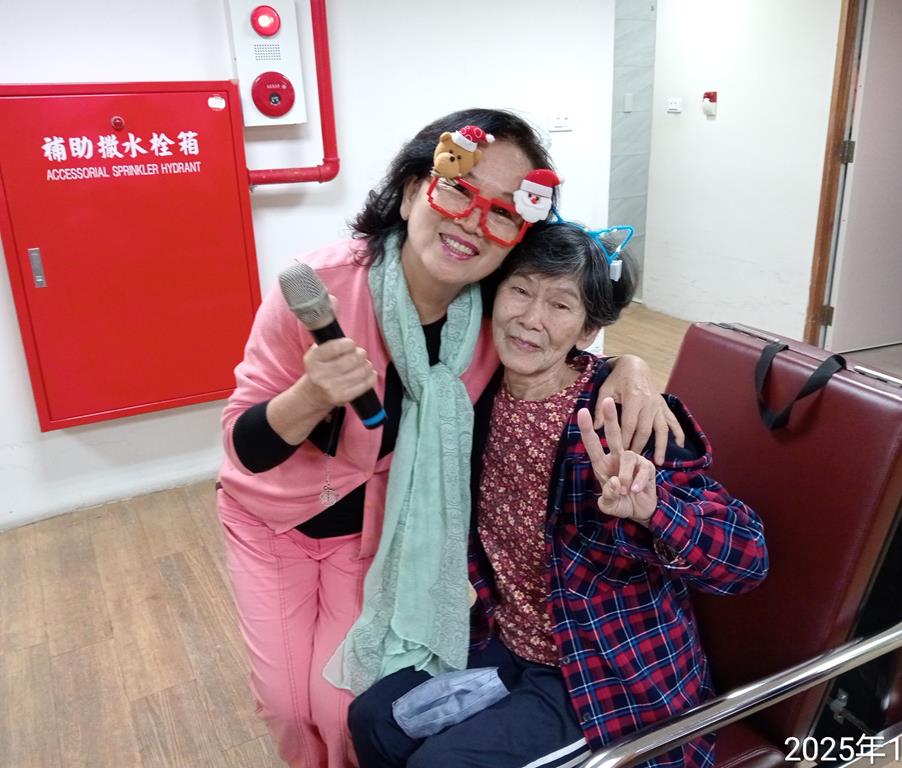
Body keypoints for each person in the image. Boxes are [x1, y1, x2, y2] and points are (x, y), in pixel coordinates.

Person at [217, 108, 681, 768]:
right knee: (289, 707)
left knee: (341, 705)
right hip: (273, 522)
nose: (471, 222)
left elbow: (560, 342)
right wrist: (311, 394)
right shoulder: (321, 288)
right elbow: (245, 447)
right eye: (457, 190)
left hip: (376, 533)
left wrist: (628, 365)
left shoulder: (491, 311)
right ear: (412, 192)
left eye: (502, 211)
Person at [348, 221, 769, 768]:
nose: (531, 318)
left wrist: (654, 510)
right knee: (374, 720)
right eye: (520, 290)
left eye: (560, 305)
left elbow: (747, 559)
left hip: (603, 676)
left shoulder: (624, 419)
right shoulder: (472, 398)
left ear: (588, 329)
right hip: (504, 643)